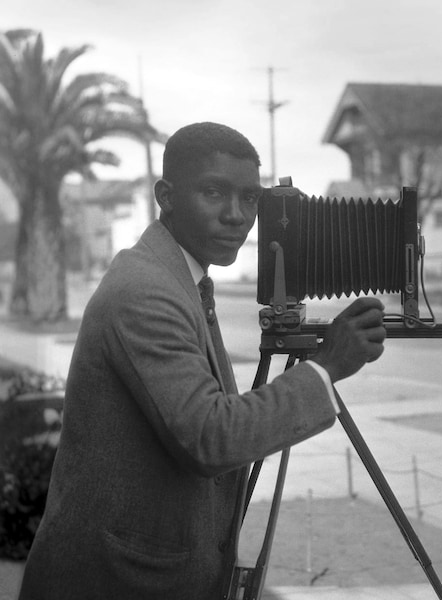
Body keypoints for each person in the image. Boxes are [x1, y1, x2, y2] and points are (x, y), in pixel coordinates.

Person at [18, 122, 385, 600]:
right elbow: (211, 436)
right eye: (214, 192)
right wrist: (326, 367)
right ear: (166, 196)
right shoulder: (145, 291)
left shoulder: (178, 276)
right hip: (114, 582)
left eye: (250, 198)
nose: (236, 215)